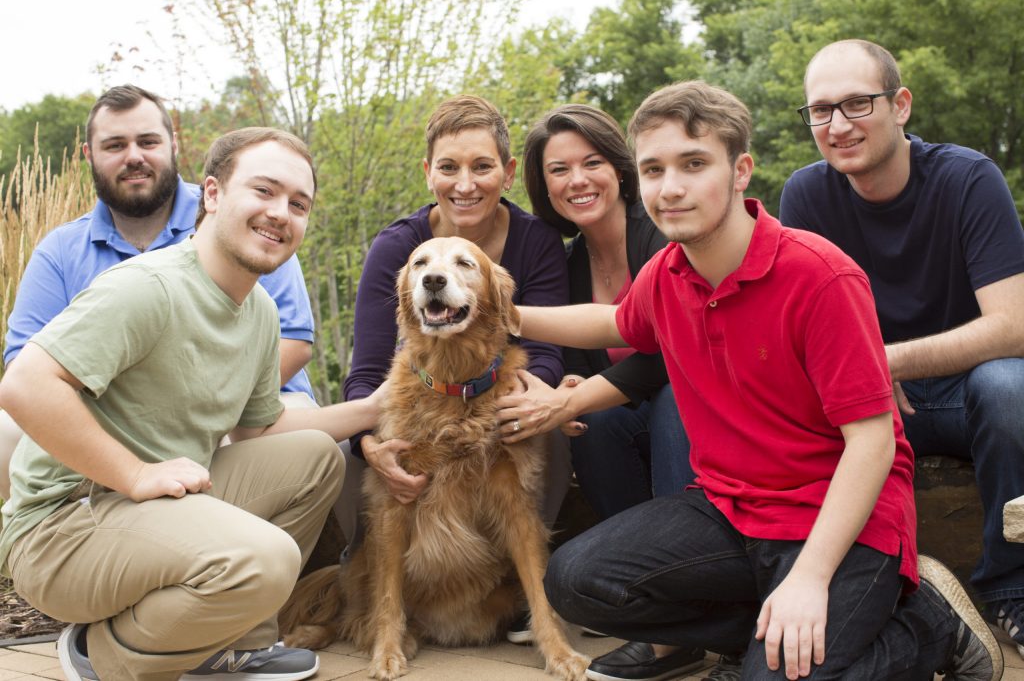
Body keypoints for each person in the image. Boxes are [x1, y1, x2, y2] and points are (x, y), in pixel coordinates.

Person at [516, 80, 1001, 680]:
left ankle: (929, 628)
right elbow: (615, 321)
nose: (671, 188)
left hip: (842, 521)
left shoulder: (820, 277)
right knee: (575, 581)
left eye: (694, 164)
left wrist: (811, 576)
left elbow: (872, 442)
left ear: (741, 170)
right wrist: (501, 312)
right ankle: (775, 642)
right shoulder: (669, 274)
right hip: (730, 510)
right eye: (654, 169)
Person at [0, 127, 383, 681]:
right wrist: (133, 474)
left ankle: (233, 645)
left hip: (161, 505)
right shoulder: (148, 288)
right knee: (266, 558)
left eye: (298, 204)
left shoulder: (258, 312)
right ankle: (104, 651)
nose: (281, 213)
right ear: (212, 194)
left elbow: (261, 430)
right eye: (264, 191)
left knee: (316, 457)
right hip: (66, 526)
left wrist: (378, 406)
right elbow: (24, 386)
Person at [779, 39, 1024, 658]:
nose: (837, 126)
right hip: (868, 404)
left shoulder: (969, 178)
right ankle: (840, 592)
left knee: (1010, 386)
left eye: (857, 104)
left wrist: (883, 360)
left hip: (964, 393)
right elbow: (802, 330)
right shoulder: (807, 195)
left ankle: (1009, 588)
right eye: (820, 111)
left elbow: (1014, 326)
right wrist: (860, 375)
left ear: (901, 105)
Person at [0, 84, 318, 499]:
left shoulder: (248, 226)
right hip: (120, 424)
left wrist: (200, 409)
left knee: (308, 430)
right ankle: (61, 542)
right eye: (115, 144)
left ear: (173, 144)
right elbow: (25, 368)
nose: (134, 156)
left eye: (147, 142)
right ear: (89, 155)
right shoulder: (59, 252)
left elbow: (294, 341)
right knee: (8, 427)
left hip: (246, 413)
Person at [338, 94, 572, 643]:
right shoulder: (398, 248)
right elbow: (366, 372)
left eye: (482, 166)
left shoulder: (536, 240)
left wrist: (529, 395)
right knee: (361, 458)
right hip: (421, 391)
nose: (464, 183)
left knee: (548, 430)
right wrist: (368, 446)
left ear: (508, 172)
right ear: (429, 174)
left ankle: (521, 594)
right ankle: (370, 585)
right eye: (449, 167)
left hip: (497, 383)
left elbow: (546, 346)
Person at [496, 103, 692, 521]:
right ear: (544, 185)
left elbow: (673, 351)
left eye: (592, 162)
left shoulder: (662, 233)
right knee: (592, 422)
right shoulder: (564, 264)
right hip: (629, 421)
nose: (578, 180)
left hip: (695, 409)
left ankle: (685, 536)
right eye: (559, 170)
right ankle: (632, 554)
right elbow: (575, 360)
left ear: (620, 169)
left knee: (673, 397)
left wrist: (575, 397)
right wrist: (572, 386)